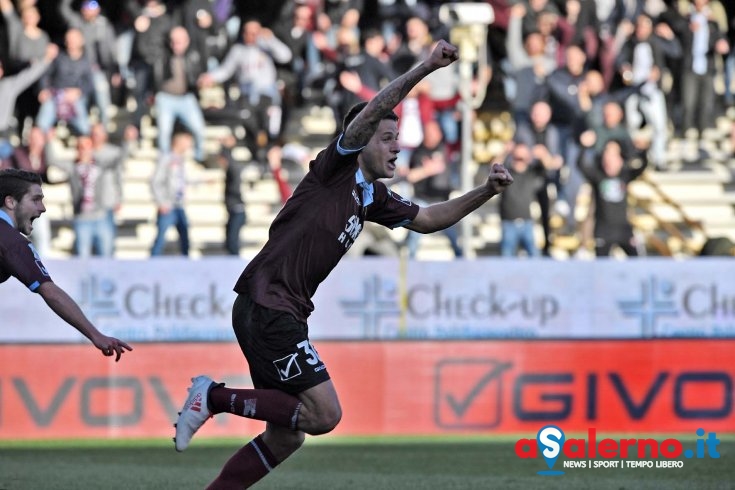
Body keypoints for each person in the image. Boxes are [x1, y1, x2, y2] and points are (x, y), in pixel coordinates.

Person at [172, 40, 514, 489]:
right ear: (362, 137)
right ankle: (212, 396)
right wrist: (426, 67)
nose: (397, 148)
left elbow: (430, 219)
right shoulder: (338, 167)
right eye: (388, 138)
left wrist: (486, 190)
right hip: (268, 303)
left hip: (277, 308)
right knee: (325, 414)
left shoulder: (373, 196)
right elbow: (372, 112)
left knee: (287, 435)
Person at [0, 168, 132, 360]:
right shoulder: (12, 242)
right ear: (10, 202)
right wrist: (96, 335)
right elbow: (50, 292)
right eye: (35, 199)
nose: (42, 208)